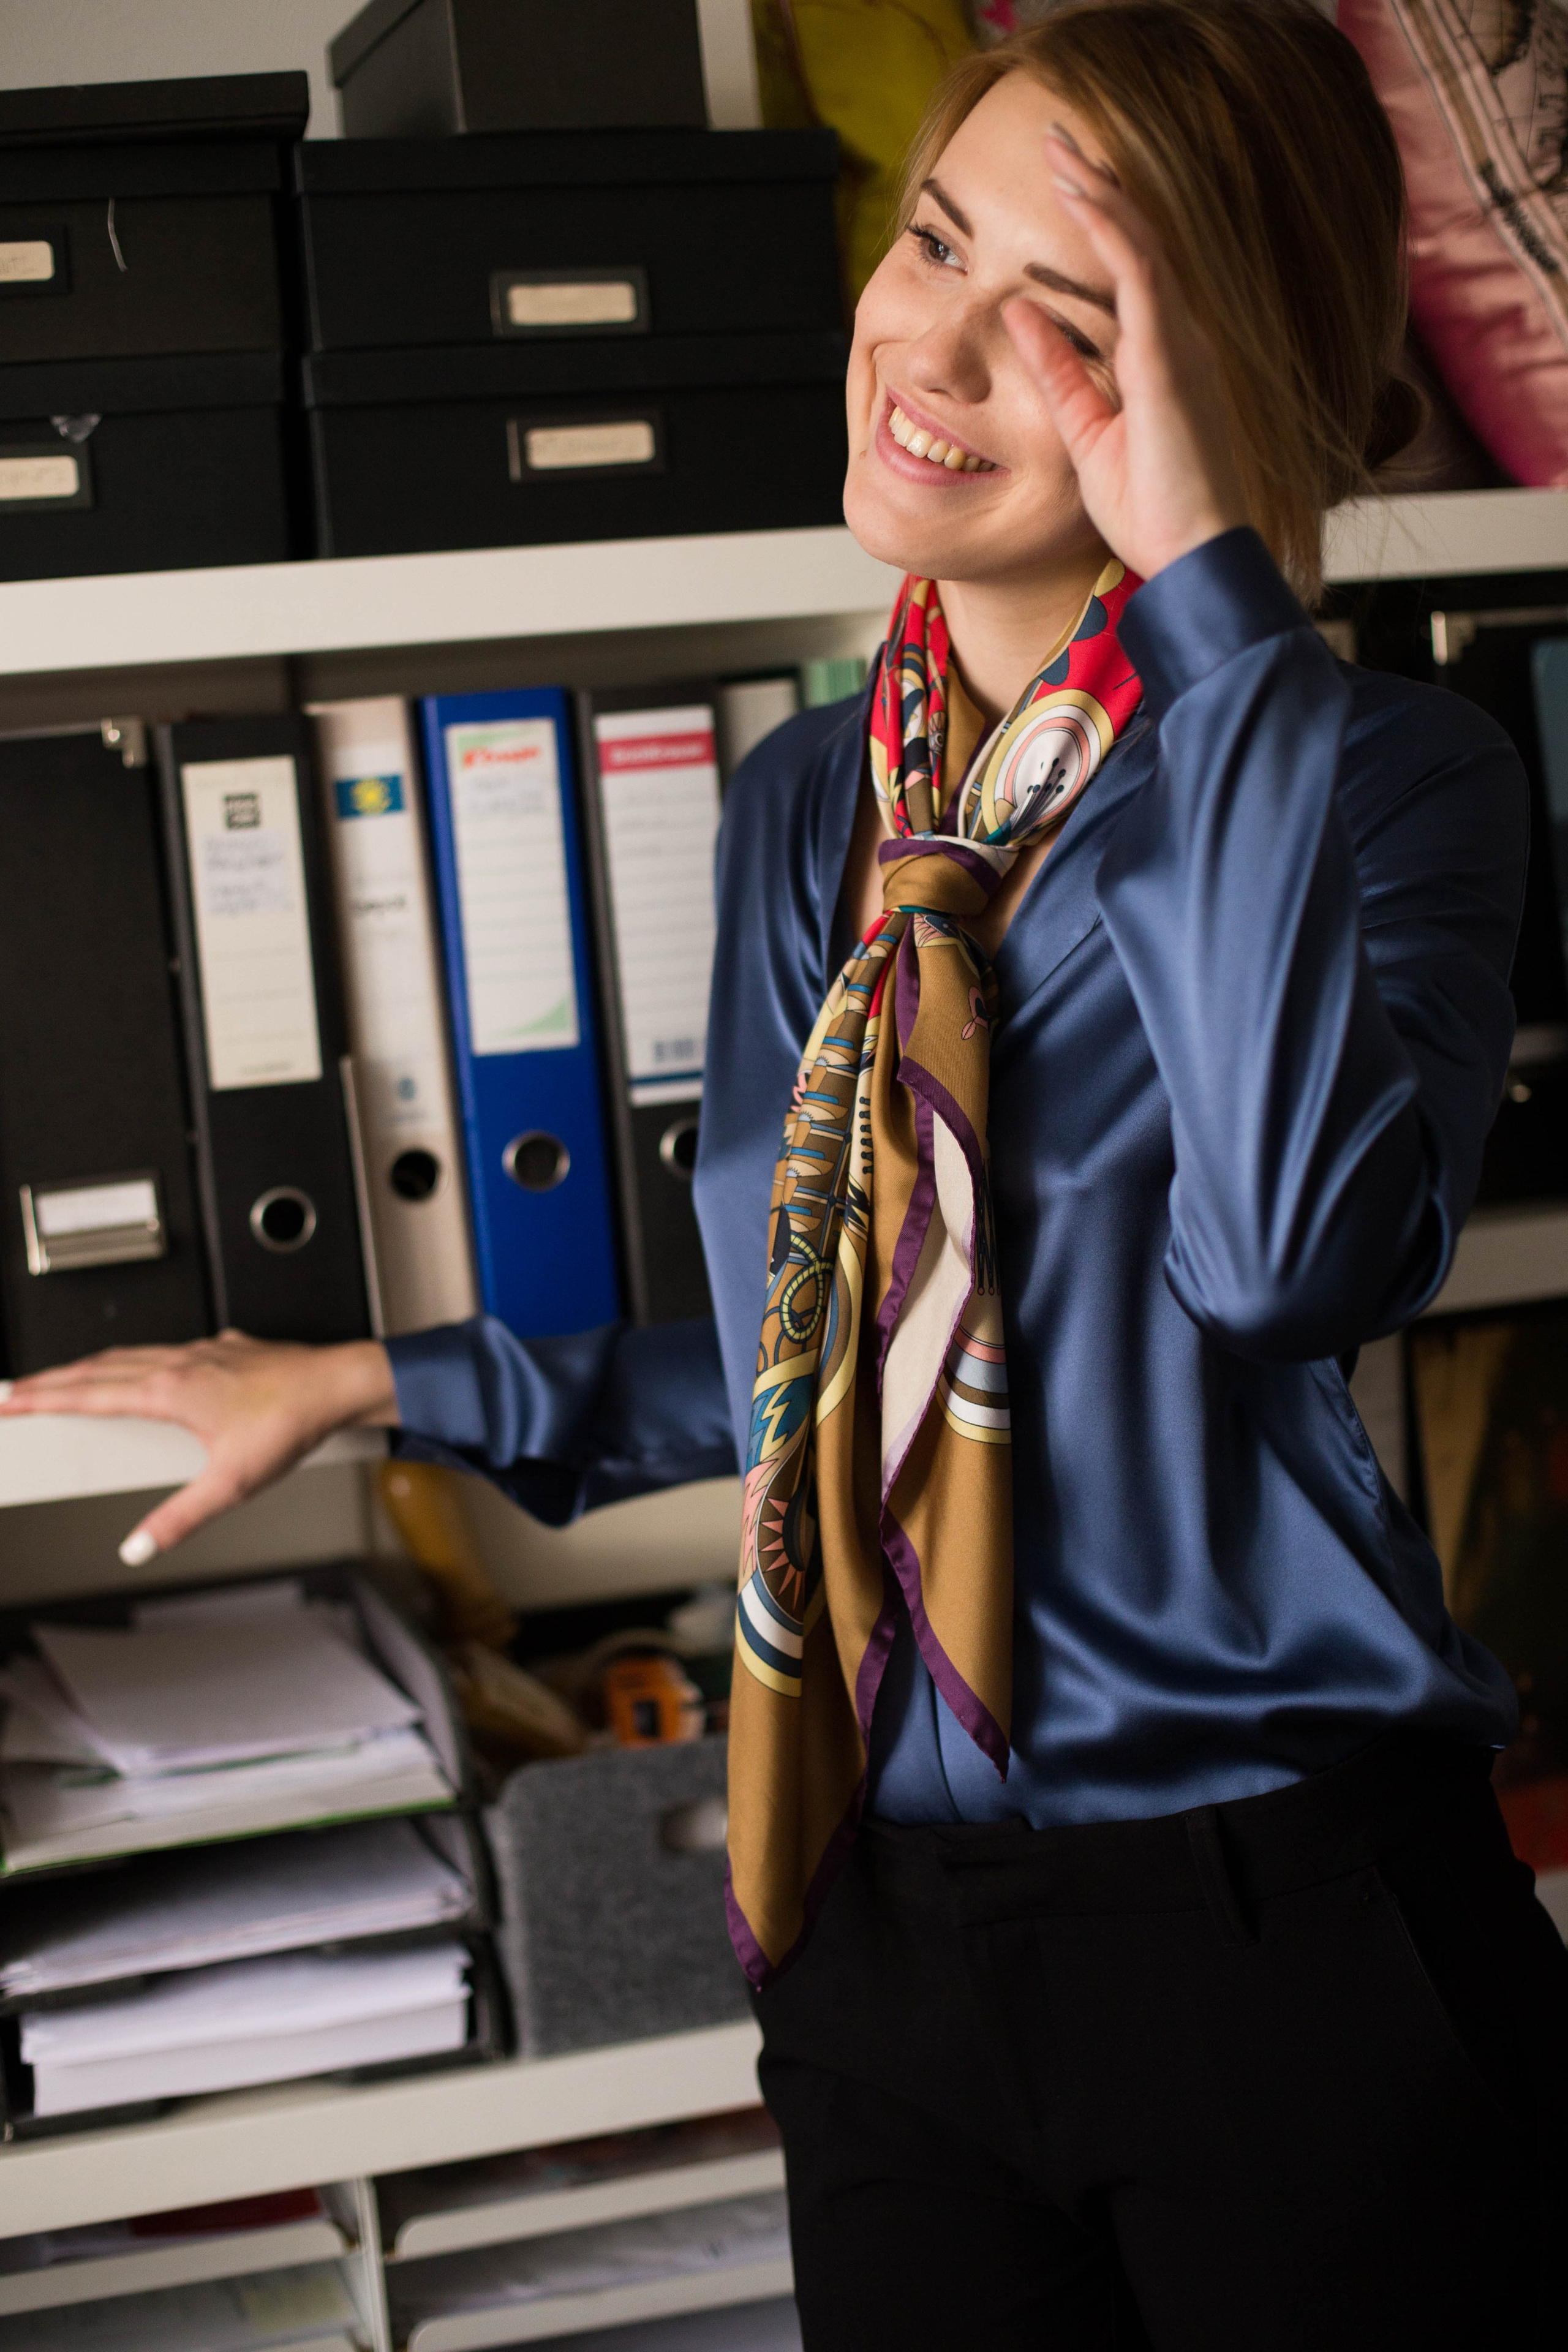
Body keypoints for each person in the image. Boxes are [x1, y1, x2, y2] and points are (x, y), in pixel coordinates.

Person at [7, 2, 1565, 2340]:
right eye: (932, 239)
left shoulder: (1383, 777)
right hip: (888, 1946)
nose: (928, 347)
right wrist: (359, 1383)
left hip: (1286, 1940)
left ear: (1219, 377)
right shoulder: (812, 810)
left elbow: (1288, 1262)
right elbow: (809, 1373)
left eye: (1064, 321)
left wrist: (1223, 619)